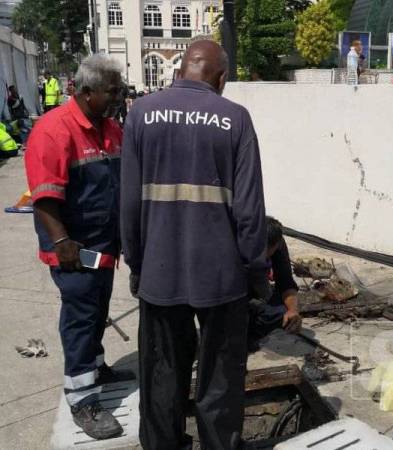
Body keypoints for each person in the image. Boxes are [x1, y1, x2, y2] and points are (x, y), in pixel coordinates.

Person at [121, 40, 267, 450]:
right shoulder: (235, 118)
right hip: (222, 278)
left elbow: (129, 202)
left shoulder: (141, 114)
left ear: (182, 69)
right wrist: (256, 272)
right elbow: (250, 210)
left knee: (161, 373)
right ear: (221, 78)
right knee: (220, 377)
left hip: (159, 271)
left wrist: (136, 263)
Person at [24, 54, 134, 441]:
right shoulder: (54, 131)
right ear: (85, 92)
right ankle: (83, 399)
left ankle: (97, 367)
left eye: (119, 90)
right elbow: (44, 197)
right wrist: (61, 241)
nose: (117, 98)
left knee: (98, 308)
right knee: (81, 318)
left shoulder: (110, 129)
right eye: (111, 91)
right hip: (74, 248)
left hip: (104, 244)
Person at [248, 217, 303, 349]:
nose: (262, 257)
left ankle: (248, 334)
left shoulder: (277, 243)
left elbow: (286, 282)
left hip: (256, 290)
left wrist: (292, 311)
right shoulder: (239, 241)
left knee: (281, 312)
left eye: (267, 253)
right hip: (227, 295)